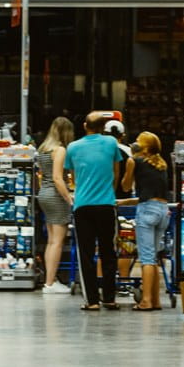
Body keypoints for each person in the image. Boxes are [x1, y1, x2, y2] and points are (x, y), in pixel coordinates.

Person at [65, 111, 122, 311]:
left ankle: (92, 300)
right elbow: (116, 172)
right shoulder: (111, 144)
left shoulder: (73, 147)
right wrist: (108, 190)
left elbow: (73, 177)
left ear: (84, 126)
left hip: (83, 205)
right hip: (106, 203)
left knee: (86, 253)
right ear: (103, 128)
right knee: (108, 251)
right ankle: (109, 297)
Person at [121, 131, 170, 311]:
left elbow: (126, 186)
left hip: (147, 212)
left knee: (146, 258)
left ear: (145, 147)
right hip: (163, 212)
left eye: (138, 142)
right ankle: (156, 300)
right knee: (155, 257)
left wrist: (129, 164)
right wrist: (125, 202)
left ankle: (146, 300)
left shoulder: (135, 161)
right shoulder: (162, 165)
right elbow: (151, 195)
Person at [35, 117, 75, 294]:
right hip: (56, 196)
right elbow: (58, 178)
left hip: (44, 194)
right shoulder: (60, 150)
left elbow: (44, 175)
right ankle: (50, 283)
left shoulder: (43, 149)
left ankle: (49, 280)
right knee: (57, 242)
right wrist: (69, 198)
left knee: (51, 240)